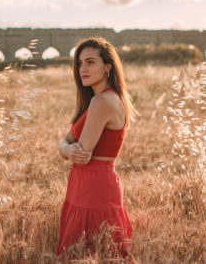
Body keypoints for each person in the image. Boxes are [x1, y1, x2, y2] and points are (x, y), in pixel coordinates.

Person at [55, 37, 140, 261]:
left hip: (94, 187)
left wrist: (66, 149)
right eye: (80, 63)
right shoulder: (97, 100)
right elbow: (66, 143)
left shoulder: (103, 102)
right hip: (85, 184)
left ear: (108, 66)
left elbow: (80, 152)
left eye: (91, 62)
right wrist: (65, 148)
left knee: (93, 252)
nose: (83, 68)